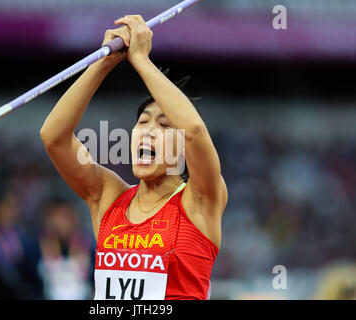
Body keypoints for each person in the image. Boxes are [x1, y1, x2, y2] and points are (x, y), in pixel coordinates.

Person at [40, 15, 228, 300]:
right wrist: (102, 64)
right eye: (143, 122)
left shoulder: (200, 200)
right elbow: (53, 137)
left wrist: (141, 60)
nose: (148, 132)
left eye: (164, 125)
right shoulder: (108, 197)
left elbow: (195, 130)